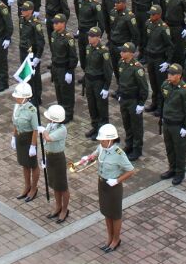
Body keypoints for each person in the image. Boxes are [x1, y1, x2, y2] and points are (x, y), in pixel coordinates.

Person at [75, 123, 135, 253]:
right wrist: (87, 158)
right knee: (107, 212)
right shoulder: (101, 147)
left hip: (113, 187)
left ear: (110, 140)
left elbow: (131, 170)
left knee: (115, 214)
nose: (100, 142)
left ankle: (116, 239)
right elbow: (95, 155)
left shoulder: (119, 153)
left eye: (102, 140)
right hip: (102, 184)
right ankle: (110, 237)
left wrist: (117, 180)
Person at [157, 64, 186, 185]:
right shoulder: (165, 85)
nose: (169, 76)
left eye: (172, 74)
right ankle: (172, 168)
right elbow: (164, 101)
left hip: (178, 125)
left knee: (180, 150)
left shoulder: (185, 91)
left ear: (179, 76)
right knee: (169, 148)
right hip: (167, 122)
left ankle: (180, 172)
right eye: (169, 73)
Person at [11, 82, 41, 202]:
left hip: (29, 139)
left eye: (18, 96)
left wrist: (33, 146)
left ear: (24, 97)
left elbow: (35, 130)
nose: (16, 98)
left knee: (33, 165)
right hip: (20, 137)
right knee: (24, 163)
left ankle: (34, 188)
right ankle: (27, 186)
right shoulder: (17, 106)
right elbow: (15, 122)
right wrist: (14, 137)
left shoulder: (31, 110)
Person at [41, 104, 69, 222]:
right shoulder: (50, 125)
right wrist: (44, 157)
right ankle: (58, 207)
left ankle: (64, 210)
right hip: (50, 156)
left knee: (62, 186)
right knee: (54, 184)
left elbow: (48, 138)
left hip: (58, 158)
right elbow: (46, 142)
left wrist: (43, 131)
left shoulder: (62, 129)